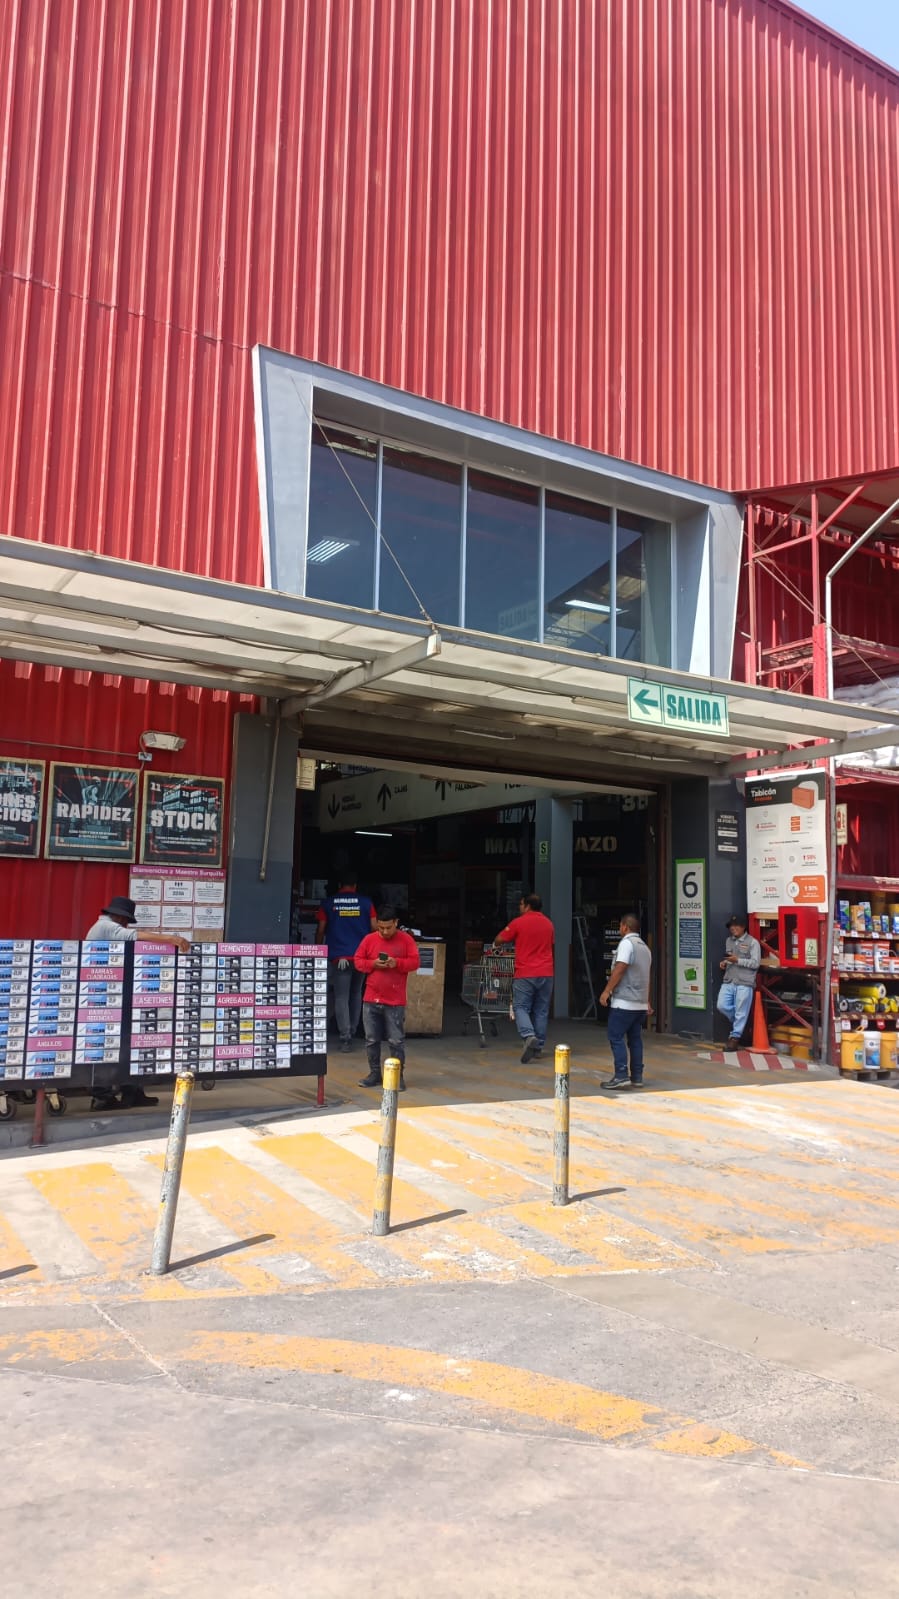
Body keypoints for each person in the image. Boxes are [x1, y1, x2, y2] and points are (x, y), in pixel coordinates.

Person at [84, 896, 191, 1109]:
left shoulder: (107, 927)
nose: (126, 924)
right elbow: (134, 936)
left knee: (127, 1044)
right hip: (101, 996)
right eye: (125, 920)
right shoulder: (105, 927)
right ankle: (102, 1097)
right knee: (104, 1046)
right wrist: (172, 939)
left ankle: (132, 1092)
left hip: (114, 994)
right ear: (119, 917)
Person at [353, 905, 420, 1090]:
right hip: (371, 998)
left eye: (388, 927)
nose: (384, 931)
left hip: (395, 1000)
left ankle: (397, 1076)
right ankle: (375, 1073)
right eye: (380, 927)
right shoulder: (369, 939)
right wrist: (373, 964)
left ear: (396, 923)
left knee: (396, 1041)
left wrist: (396, 963)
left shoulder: (406, 939)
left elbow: (415, 962)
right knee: (371, 1039)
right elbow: (358, 961)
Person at [316, 878, 377, 1052]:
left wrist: (318, 950)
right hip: (361, 957)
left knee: (341, 997)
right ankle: (353, 1030)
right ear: (355, 885)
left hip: (340, 958)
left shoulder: (329, 903)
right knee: (356, 994)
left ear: (339, 885)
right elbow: (374, 928)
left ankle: (345, 1038)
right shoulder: (366, 903)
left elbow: (321, 929)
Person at [495, 892, 555, 1064]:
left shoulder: (519, 922)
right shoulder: (549, 924)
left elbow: (499, 939)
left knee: (521, 1007)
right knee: (541, 1011)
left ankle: (529, 1036)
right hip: (546, 972)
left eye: (521, 904)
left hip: (525, 973)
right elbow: (550, 945)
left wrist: (499, 944)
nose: (519, 907)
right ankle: (538, 1047)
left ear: (528, 906)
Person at [599, 912, 652, 1090]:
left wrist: (607, 991)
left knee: (615, 1036)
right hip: (640, 1004)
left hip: (624, 1002)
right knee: (635, 1040)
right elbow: (646, 976)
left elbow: (620, 968)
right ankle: (637, 1076)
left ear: (625, 927)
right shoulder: (645, 948)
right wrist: (647, 1001)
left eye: (620, 926)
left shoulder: (626, 944)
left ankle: (621, 1075)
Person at [718, 914, 761, 1047]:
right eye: (731, 926)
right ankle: (741, 1023)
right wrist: (724, 962)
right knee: (721, 1005)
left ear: (743, 927)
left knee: (741, 1011)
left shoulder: (753, 942)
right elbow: (729, 957)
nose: (733, 928)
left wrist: (738, 960)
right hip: (729, 979)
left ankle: (735, 1037)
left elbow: (755, 963)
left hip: (745, 982)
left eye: (736, 926)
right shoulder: (728, 941)